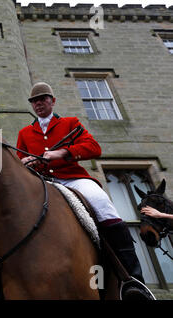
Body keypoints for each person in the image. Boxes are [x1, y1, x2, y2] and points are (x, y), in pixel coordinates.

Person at [16, 82, 153, 300]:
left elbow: (93, 148)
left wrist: (63, 153)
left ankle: (133, 280)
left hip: (73, 178)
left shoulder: (71, 123)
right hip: (43, 182)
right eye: (35, 101)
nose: (39, 103)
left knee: (104, 206)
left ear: (53, 101)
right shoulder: (25, 132)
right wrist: (25, 162)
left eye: (43, 99)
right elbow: (19, 161)